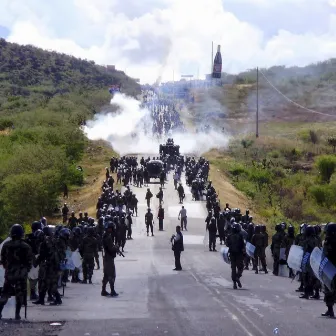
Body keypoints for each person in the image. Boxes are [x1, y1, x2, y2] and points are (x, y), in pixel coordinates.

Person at [0, 224, 33, 320]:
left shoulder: (6, 245)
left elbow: (3, 259)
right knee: (20, 294)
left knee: (5, 293)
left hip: (9, 273)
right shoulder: (26, 246)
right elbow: (29, 262)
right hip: (21, 274)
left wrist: (8, 268)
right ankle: (17, 314)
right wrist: (25, 270)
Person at [101, 222, 120, 297]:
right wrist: (116, 247)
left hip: (106, 257)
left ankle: (103, 290)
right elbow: (111, 249)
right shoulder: (108, 237)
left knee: (106, 275)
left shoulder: (105, 235)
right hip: (109, 258)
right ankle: (112, 290)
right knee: (111, 275)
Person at [226, 223, 245, 289]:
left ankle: (234, 283)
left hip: (232, 254)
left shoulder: (229, 236)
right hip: (239, 254)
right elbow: (243, 245)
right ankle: (237, 277)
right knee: (241, 267)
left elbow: (227, 244)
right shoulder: (240, 236)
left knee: (233, 268)